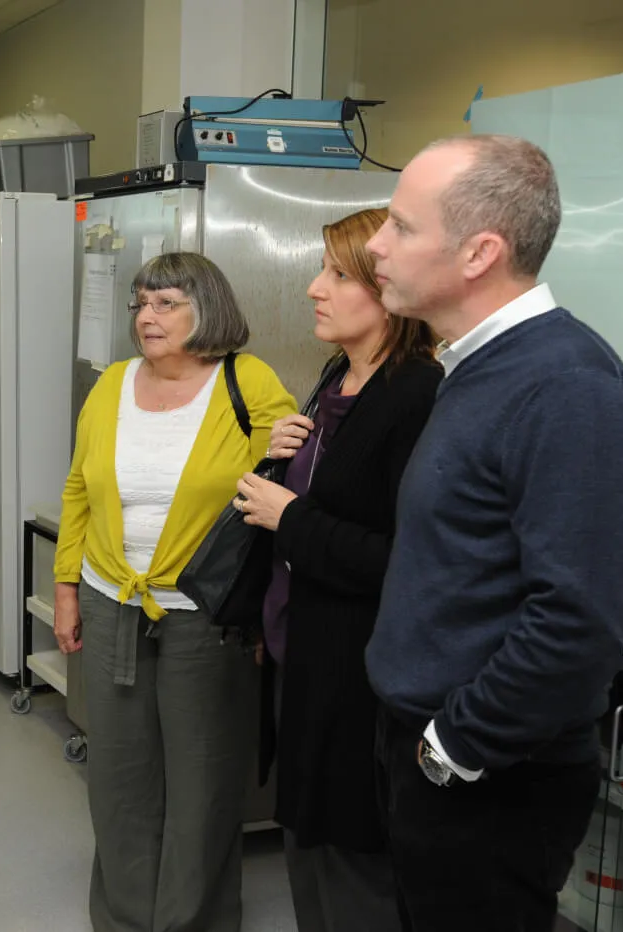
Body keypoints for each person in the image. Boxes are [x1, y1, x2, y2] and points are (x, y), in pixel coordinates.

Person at [363, 134, 623, 931]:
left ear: (479, 252)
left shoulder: (567, 387)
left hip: (487, 774)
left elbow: (576, 625)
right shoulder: (476, 368)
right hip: (429, 745)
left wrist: (455, 745)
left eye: (400, 228)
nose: (377, 248)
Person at [52, 252, 296, 932]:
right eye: (140, 303)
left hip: (206, 616)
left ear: (207, 308)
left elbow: (283, 491)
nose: (146, 317)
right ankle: (125, 918)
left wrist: (266, 616)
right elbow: (79, 488)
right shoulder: (113, 385)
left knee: (203, 781)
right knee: (120, 777)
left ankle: (193, 921)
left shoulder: (248, 382)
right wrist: (66, 586)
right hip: (111, 602)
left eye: (166, 303)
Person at [233, 207, 440, 932]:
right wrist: (284, 454)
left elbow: (403, 560)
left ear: (389, 290)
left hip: (362, 678)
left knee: (355, 864)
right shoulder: (335, 382)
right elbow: (320, 501)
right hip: (304, 658)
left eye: (336, 275)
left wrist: (288, 514)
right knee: (305, 843)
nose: (315, 290)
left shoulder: (416, 396)